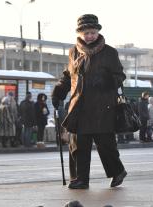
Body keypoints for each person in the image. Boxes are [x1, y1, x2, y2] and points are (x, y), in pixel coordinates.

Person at [51, 14, 127, 190]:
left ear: (98, 32)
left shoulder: (109, 52)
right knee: (77, 145)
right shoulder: (73, 52)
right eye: (86, 33)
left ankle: (118, 172)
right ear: (80, 33)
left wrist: (106, 80)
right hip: (79, 107)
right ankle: (80, 179)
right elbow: (68, 76)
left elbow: (120, 76)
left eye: (92, 32)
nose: (90, 36)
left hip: (103, 106)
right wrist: (59, 92)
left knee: (106, 145)